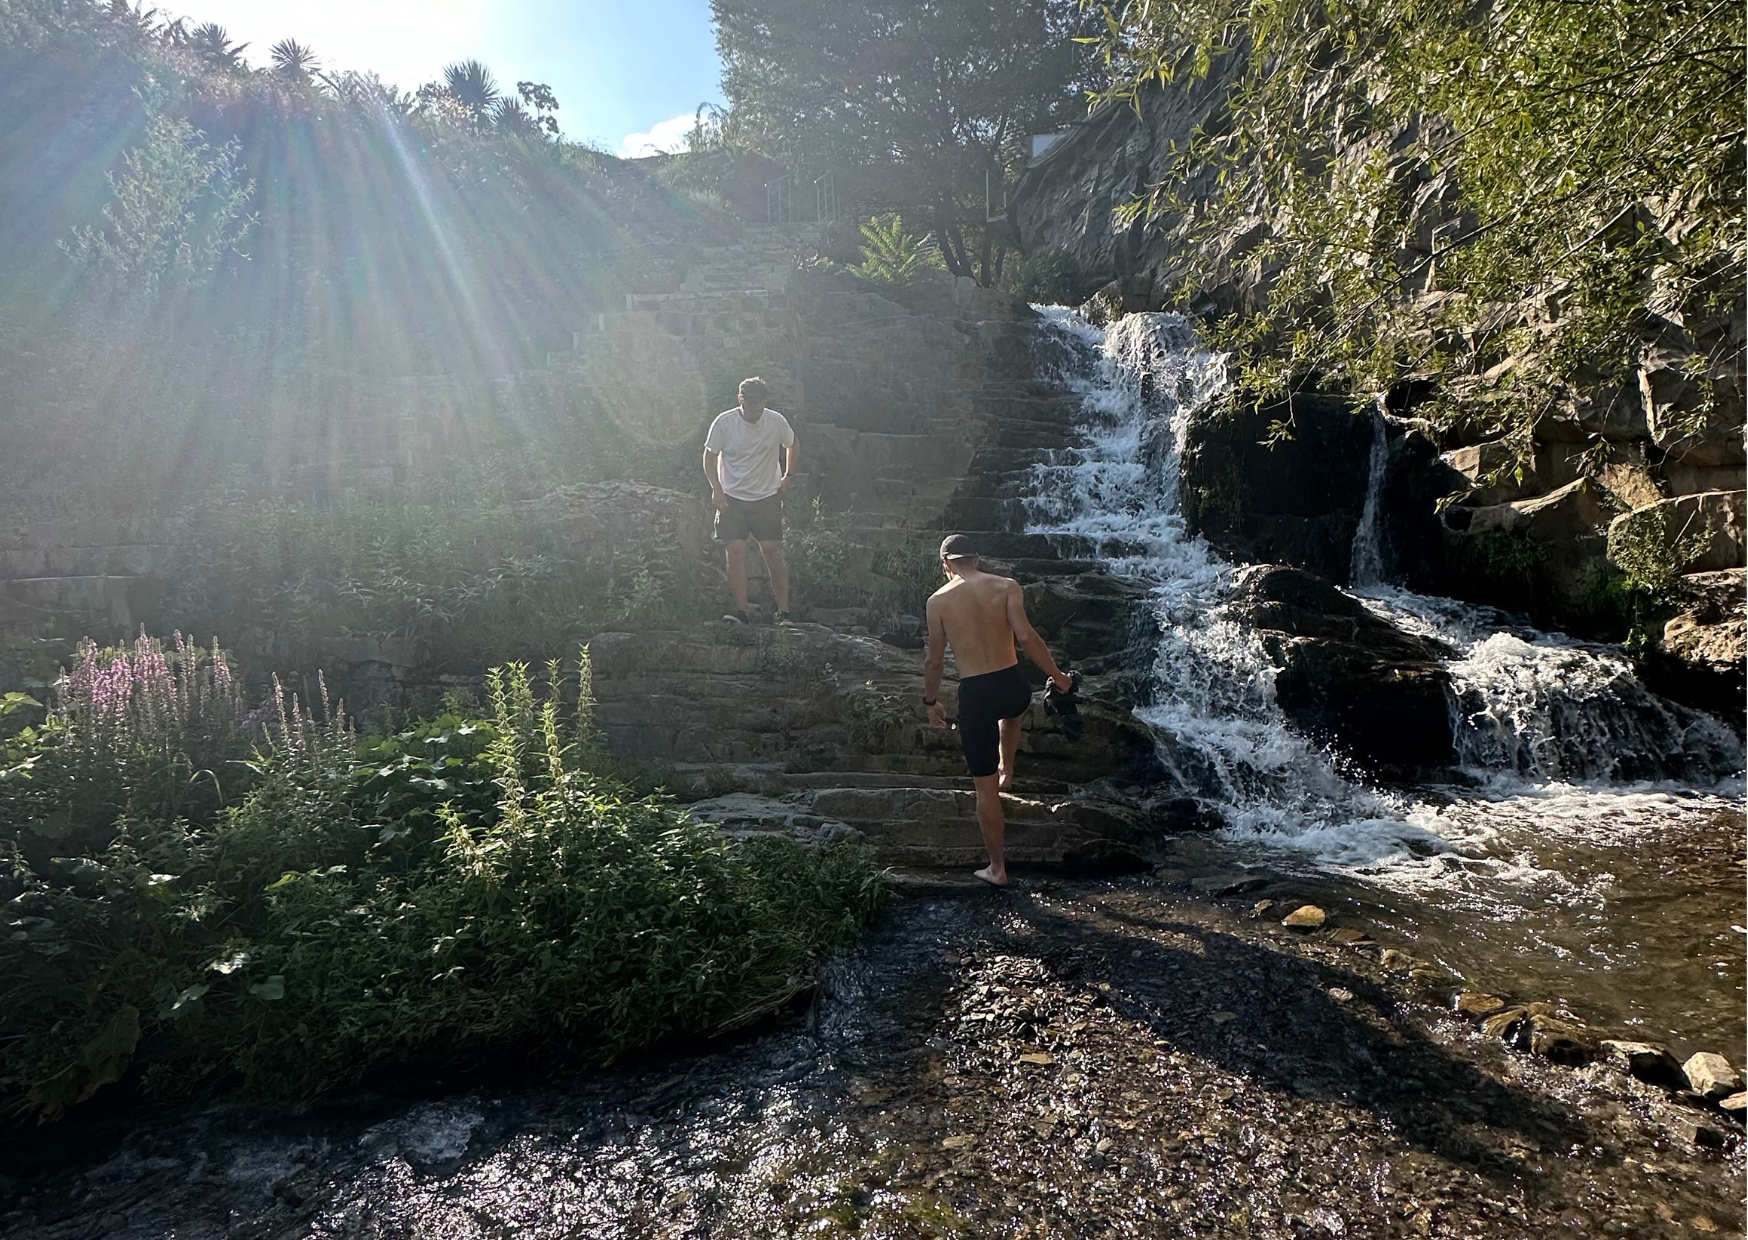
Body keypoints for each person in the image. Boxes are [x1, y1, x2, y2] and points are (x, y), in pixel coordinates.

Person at [923, 534, 1075, 887]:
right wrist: (1059, 677)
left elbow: (934, 661)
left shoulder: (938, 601)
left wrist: (931, 702)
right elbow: (1026, 636)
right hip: (1012, 686)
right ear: (976, 559)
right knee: (1012, 710)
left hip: (976, 694)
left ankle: (997, 868)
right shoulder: (1006, 586)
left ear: (946, 563)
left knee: (984, 790)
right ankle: (1008, 769)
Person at [703, 376, 798, 625]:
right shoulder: (724, 423)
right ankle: (742, 613)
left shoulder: (776, 421)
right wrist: (716, 489)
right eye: (751, 408)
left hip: (766, 497)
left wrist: (788, 475)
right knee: (735, 552)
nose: (756, 414)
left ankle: (784, 613)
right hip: (732, 499)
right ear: (740, 400)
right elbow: (709, 457)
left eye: (761, 408)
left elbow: (793, 443)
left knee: (773, 552)